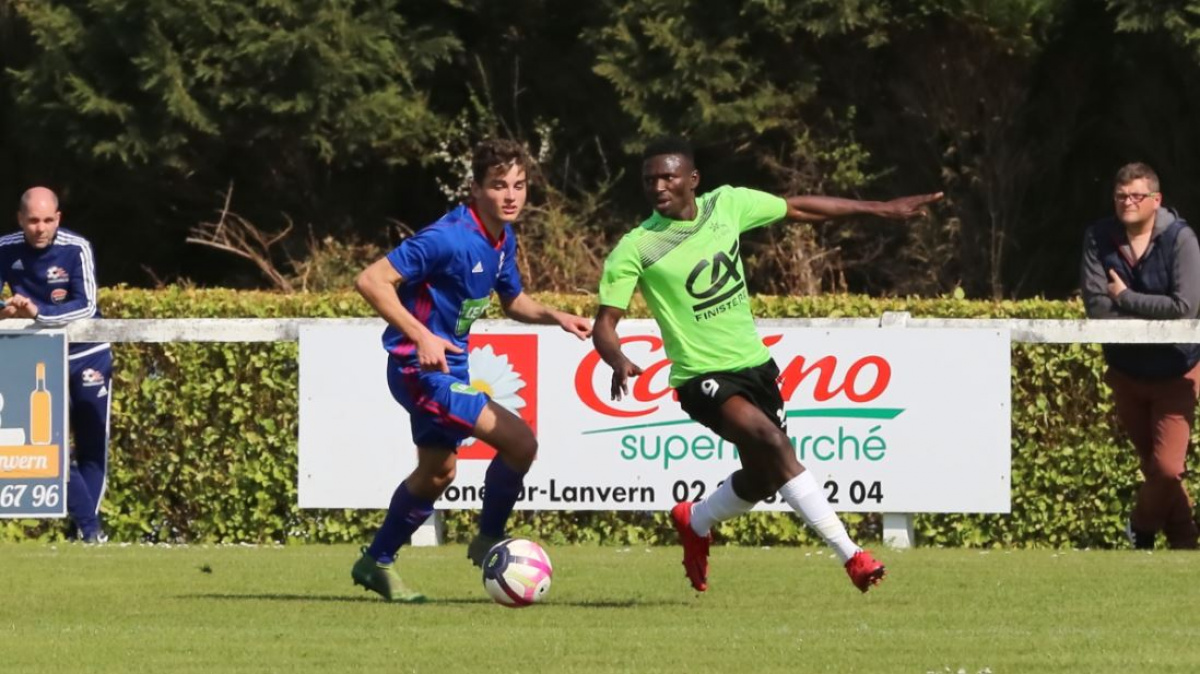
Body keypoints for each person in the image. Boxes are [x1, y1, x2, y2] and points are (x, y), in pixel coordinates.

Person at [594, 137, 942, 593]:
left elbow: (797, 208)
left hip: (755, 368)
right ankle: (852, 555)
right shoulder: (637, 246)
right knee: (773, 442)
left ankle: (695, 520)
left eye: (668, 177)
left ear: (692, 180)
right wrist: (616, 357)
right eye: (649, 180)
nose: (658, 186)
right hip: (701, 378)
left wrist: (879, 208)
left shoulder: (727, 205)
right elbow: (604, 324)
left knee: (763, 478)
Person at [351, 139, 592, 602]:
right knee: (520, 442)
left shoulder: (502, 238)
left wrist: (557, 316)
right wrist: (421, 335)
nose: (511, 195)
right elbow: (371, 280)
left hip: (450, 368)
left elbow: (513, 301)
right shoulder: (447, 238)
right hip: (420, 370)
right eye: (499, 185)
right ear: (476, 188)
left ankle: (375, 561)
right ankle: (488, 541)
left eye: (519, 185)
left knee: (437, 474)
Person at [1080, 162, 1200, 550]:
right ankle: (1186, 545)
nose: (1127, 202)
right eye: (1121, 196)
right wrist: (1146, 309)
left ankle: (1140, 526)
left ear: (1156, 199)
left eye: (1136, 195)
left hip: (1176, 371)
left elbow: (1185, 307)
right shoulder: (1098, 237)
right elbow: (1098, 308)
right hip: (1126, 371)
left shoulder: (1181, 239)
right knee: (1154, 467)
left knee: (1167, 468)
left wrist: (1126, 297)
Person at [0, 187, 112, 543]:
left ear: (58, 218)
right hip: (39, 357)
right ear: (20, 219)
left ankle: (86, 534)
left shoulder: (76, 247)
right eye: (33, 220)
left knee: (92, 447)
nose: (41, 228)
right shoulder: (4, 248)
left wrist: (39, 313)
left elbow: (86, 306)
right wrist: (7, 311)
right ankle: (91, 530)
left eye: (48, 220)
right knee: (52, 446)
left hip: (87, 355)